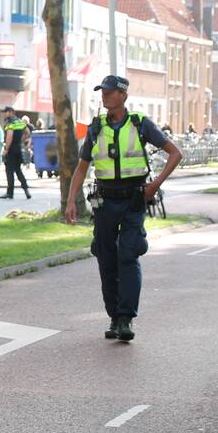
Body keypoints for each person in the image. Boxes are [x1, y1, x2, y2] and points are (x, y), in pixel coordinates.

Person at [65, 75, 183, 342]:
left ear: (123, 96)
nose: (104, 96)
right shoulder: (96, 127)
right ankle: (114, 316)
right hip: (105, 201)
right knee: (106, 257)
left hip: (133, 200)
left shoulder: (140, 124)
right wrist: (71, 201)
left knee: (128, 255)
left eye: (109, 92)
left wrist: (155, 184)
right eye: (102, 91)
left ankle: (126, 318)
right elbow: (82, 168)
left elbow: (175, 153)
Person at [0, 106, 31, 199]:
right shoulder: (20, 122)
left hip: (11, 150)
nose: (4, 114)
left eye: (5, 112)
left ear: (11, 112)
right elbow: (27, 132)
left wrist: (6, 149)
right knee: (18, 170)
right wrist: (21, 140)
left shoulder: (10, 123)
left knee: (9, 171)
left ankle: (10, 193)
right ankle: (26, 191)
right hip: (18, 148)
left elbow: (9, 137)